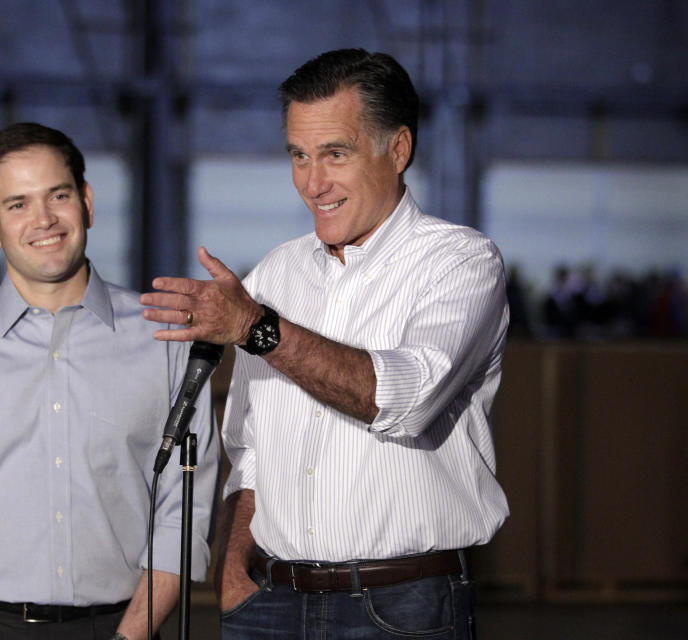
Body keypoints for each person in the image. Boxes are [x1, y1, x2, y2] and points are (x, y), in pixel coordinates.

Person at [140, 49, 509, 639]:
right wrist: (234, 569)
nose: (313, 183)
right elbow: (251, 446)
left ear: (398, 149)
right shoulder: (276, 275)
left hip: (401, 607)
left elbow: (403, 400)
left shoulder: (460, 262)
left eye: (335, 153)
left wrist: (257, 329)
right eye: (299, 155)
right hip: (269, 602)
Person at [0, 122, 219, 640]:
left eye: (58, 195)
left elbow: (184, 509)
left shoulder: (164, 342)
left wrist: (132, 635)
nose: (43, 220)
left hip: (127, 627)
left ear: (86, 202)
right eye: (17, 204)